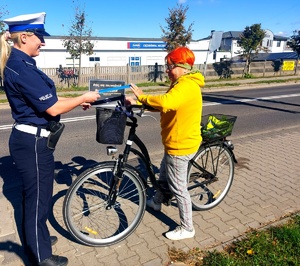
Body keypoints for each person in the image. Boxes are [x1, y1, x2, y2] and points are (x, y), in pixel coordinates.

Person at [0, 12, 100, 266]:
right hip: (32, 143)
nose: (43, 43)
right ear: (24, 37)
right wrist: (82, 97)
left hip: (32, 141)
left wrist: (80, 100)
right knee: (37, 199)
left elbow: (50, 103)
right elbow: (54, 109)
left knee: (37, 196)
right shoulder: (21, 67)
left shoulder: (21, 62)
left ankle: (38, 237)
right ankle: (41, 256)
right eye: (39, 37)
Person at [127, 46, 205, 241]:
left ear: (181, 66)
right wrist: (140, 103)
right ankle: (156, 201)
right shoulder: (181, 83)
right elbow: (166, 107)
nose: (167, 70)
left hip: (181, 145)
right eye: (166, 66)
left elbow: (167, 102)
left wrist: (143, 97)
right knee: (163, 172)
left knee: (179, 187)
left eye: (169, 66)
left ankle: (188, 228)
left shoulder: (187, 85)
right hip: (174, 142)